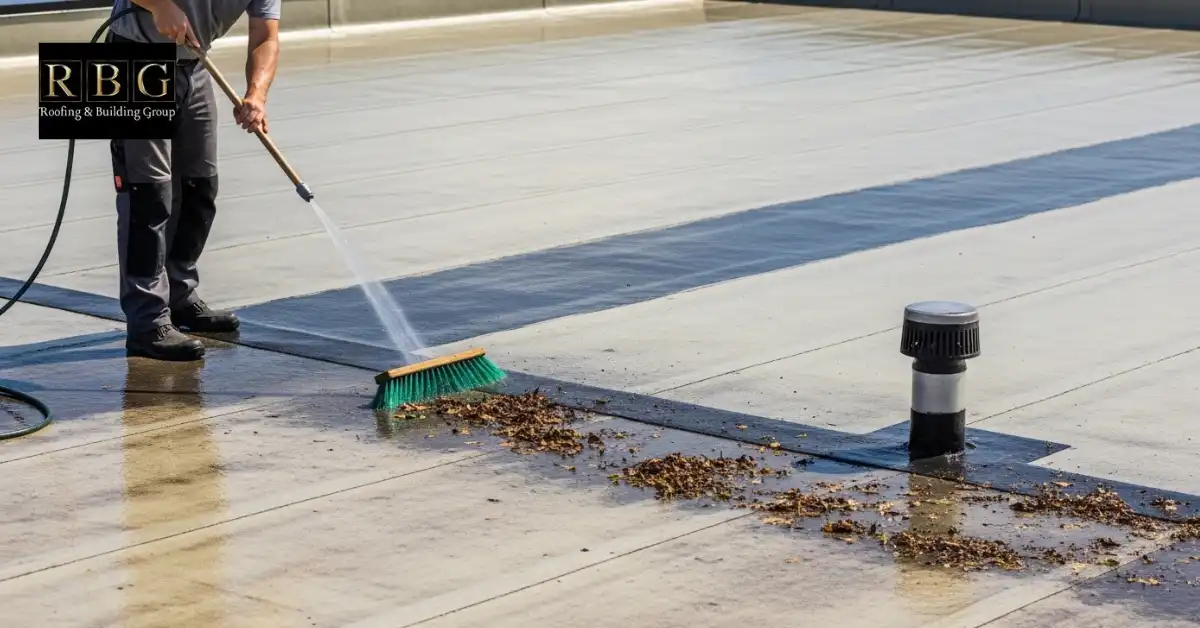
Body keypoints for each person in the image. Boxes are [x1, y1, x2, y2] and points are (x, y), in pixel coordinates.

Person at [107, 0, 281, 361]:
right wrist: (159, 6)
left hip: (194, 64)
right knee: (147, 196)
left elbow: (266, 36)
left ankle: (180, 297)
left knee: (199, 187)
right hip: (133, 59)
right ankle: (147, 322)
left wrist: (256, 94)